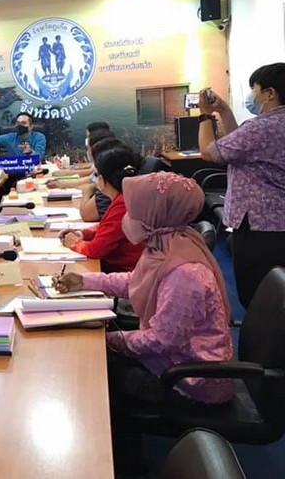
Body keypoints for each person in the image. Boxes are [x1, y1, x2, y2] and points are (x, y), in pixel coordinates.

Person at [54, 172, 233, 474]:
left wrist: (109, 340)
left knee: (96, 381)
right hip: (176, 360)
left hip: (192, 380)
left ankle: (121, 464)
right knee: (94, 362)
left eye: (135, 212)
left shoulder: (184, 273)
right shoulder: (168, 244)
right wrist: (84, 281)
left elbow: (161, 340)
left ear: (155, 217)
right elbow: (135, 281)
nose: (128, 218)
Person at [198, 63, 285, 308]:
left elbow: (209, 152)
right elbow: (237, 146)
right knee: (277, 292)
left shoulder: (261, 127)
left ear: (270, 93)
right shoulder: (270, 126)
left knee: (257, 296)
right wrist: (224, 111)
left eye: (254, 90)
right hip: (278, 222)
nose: (251, 96)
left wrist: (205, 115)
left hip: (259, 225)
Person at [58, 147, 145, 273]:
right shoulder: (127, 196)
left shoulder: (123, 204)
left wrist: (74, 243)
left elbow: (96, 250)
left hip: (125, 272)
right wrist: (82, 234)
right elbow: (108, 228)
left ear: (103, 179)